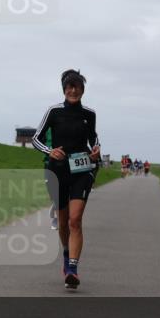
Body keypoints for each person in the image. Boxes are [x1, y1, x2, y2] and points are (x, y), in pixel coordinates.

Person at [32, 69, 100, 290]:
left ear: (82, 90)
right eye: (69, 87)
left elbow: (94, 139)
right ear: (64, 89)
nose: (73, 90)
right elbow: (36, 138)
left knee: (75, 220)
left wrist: (96, 151)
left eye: (77, 87)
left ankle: (72, 269)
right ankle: (65, 254)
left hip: (81, 170)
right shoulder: (54, 111)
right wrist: (50, 151)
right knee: (63, 222)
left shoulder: (89, 114)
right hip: (58, 170)